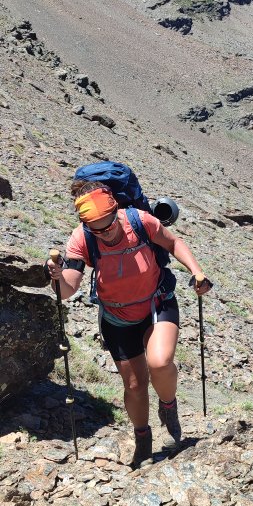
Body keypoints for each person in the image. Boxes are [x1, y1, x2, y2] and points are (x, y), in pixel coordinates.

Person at [46, 180, 212, 467]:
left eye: (108, 224)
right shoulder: (81, 238)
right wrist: (57, 277)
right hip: (117, 317)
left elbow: (173, 243)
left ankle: (168, 407)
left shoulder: (140, 221)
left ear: (115, 210)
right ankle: (143, 439)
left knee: (159, 362)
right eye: (96, 228)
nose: (105, 232)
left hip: (156, 303)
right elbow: (67, 290)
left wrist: (197, 272)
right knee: (134, 385)